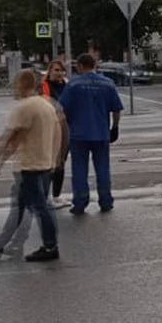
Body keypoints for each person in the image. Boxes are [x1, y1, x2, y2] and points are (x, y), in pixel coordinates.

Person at [0, 69, 63, 262]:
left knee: (33, 208)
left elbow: (8, 137)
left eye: (16, 84)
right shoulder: (46, 105)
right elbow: (55, 132)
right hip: (44, 164)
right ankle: (4, 244)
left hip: (30, 167)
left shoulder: (24, 107)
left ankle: (48, 247)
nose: (14, 88)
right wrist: (55, 158)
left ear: (21, 84)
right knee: (32, 207)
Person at [57, 53, 123, 215]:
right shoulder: (108, 84)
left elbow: (61, 110)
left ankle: (80, 202)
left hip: (78, 134)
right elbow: (116, 109)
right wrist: (115, 128)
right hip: (101, 133)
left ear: (79, 66)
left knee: (79, 169)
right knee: (103, 168)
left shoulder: (73, 85)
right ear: (95, 65)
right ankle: (106, 201)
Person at [41, 59, 71, 209]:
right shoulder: (44, 86)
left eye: (61, 70)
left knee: (61, 163)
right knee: (50, 163)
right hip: (50, 128)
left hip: (65, 128)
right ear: (50, 71)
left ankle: (56, 196)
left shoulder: (66, 85)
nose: (59, 73)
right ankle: (45, 197)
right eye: (55, 70)